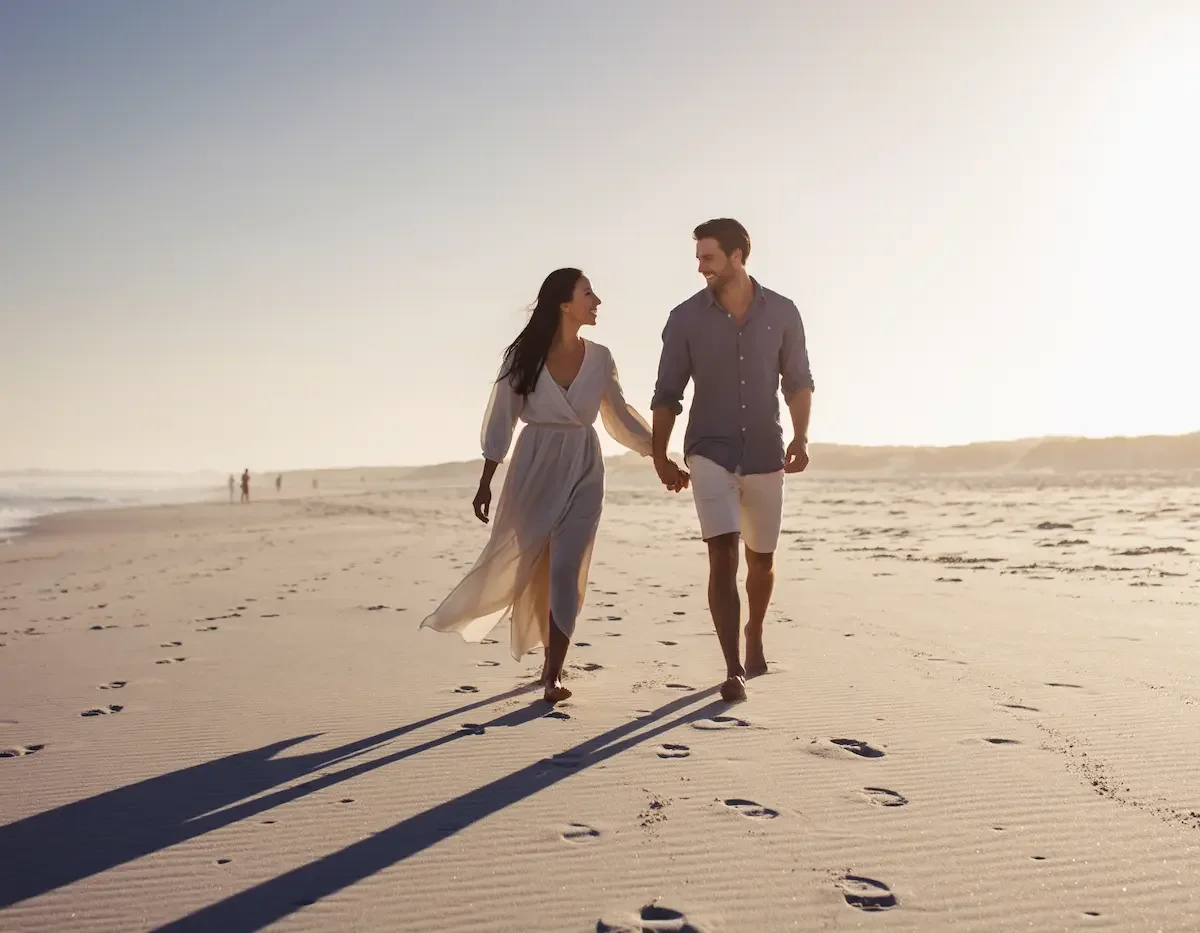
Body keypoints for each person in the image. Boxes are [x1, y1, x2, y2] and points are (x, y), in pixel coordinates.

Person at [420, 268, 655, 703]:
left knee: (567, 568)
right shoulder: (523, 358)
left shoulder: (601, 357)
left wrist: (658, 455)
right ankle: (503, 627)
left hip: (584, 465)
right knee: (527, 563)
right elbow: (500, 420)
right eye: (588, 293)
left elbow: (619, 417)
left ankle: (553, 673)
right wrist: (486, 481)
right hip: (534, 465)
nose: (597, 299)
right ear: (565, 304)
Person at [650, 219, 815, 703]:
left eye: (709, 258)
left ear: (738, 256)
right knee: (721, 555)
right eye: (699, 258)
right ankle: (732, 667)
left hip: (766, 451)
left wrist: (801, 438)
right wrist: (661, 455)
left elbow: (799, 381)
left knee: (760, 561)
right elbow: (667, 393)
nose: (700, 267)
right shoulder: (684, 319)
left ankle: (755, 633)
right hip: (709, 452)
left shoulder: (783, 312)